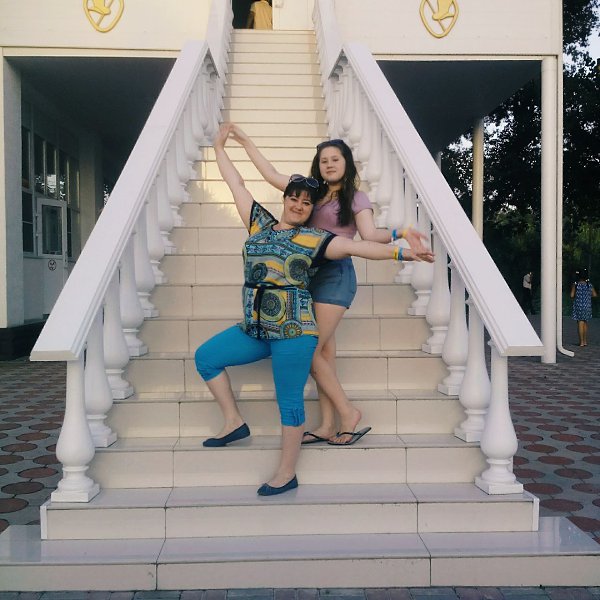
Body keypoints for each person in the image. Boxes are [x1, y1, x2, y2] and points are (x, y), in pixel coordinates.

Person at [194, 124, 434, 497]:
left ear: (310, 210)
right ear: (286, 199)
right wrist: (221, 148)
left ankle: (286, 471)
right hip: (256, 328)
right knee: (206, 357)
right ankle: (234, 421)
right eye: (294, 199)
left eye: (306, 203)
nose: (299, 205)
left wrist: (404, 251)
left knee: (290, 399)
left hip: (293, 331)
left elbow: (360, 246)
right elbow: (237, 183)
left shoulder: (316, 238)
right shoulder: (259, 223)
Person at [570, 268, 597, 347]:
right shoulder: (589, 285)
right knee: (585, 323)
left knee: (580, 323)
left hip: (578, 306)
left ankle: (581, 342)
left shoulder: (576, 284)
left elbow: (571, 295)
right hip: (587, 306)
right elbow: (594, 295)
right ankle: (585, 341)